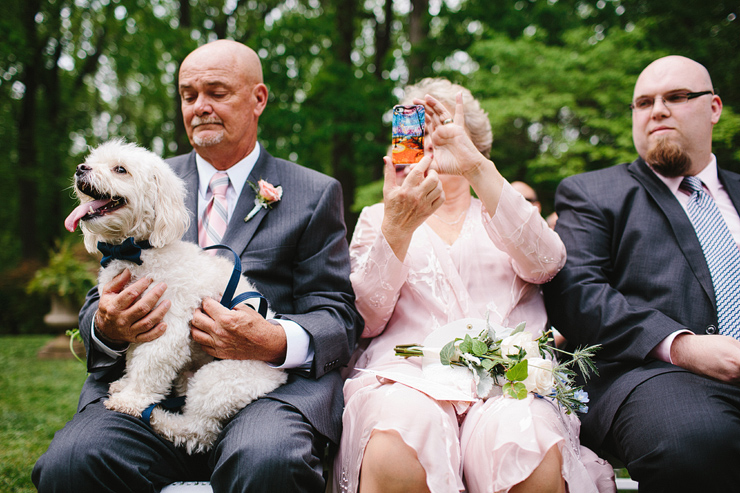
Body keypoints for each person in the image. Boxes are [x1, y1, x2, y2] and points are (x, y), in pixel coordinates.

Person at [33, 39, 363, 492]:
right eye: (189, 96)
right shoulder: (139, 179)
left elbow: (337, 313)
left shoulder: (313, 192)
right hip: (146, 389)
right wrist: (109, 326)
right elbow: (102, 295)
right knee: (71, 462)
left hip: (263, 392)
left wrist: (273, 341)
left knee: (268, 461)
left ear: (258, 98)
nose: (200, 107)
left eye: (217, 92)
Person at [336, 78, 615, 493]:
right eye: (417, 128)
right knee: (399, 431)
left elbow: (547, 263)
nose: (428, 140)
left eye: (441, 127)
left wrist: (475, 168)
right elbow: (365, 320)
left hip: (509, 383)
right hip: (407, 380)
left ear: (475, 144)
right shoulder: (380, 217)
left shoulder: (501, 210)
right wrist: (397, 227)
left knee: (527, 439)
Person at [543, 55, 740, 491]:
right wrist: (684, 348)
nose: (658, 110)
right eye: (644, 102)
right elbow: (578, 296)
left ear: (714, 108)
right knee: (698, 440)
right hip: (653, 376)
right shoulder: (592, 193)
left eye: (676, 97)